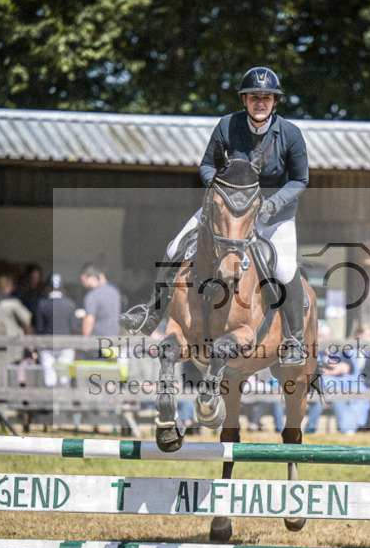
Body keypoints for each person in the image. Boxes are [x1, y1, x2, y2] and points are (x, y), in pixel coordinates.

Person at [121, 66, 310, 365]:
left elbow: (300, 180)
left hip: (272, 215)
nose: (259, 102)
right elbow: (206, 165)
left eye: (266, 97)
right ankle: (151, 313)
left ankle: (295, 340)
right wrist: (219, 193)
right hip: (223, 210)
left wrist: (272, 205)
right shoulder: (226, 125)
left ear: (275, 101)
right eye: (253, 97)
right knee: (175, 247)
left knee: (285, 269)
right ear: (244, 100)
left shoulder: (290, 134)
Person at [0, 273, 32, 387]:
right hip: (10, 348)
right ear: (8, 287)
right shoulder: (12, 303)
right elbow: (27, 319)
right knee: (9, 378)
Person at [34, 273, 78, 387]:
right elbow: (74, 328)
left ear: (48, 288)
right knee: (64, 379)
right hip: (66, 345)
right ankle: (63, 402)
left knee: (49, 379)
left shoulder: (42, 304)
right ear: (62, 288)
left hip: (47, 346)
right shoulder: (70, 304)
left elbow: (39, 328)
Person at [80, 263, 122, 358]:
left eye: (84, 280)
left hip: (96, 343)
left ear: (92, 277)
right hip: (114, 340)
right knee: (111, 370)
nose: (84, 284)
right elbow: (118, 314)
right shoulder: (115, 292)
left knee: (95, 371)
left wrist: (85, 340)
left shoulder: (92, 296)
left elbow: (89, 319)